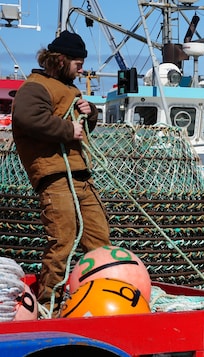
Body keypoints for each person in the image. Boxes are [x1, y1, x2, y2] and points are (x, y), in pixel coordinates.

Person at [11, 30, 111, 315]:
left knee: (99, 242)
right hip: (55, 178)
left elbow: (81, 126)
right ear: (60, 60)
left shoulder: (70, 89)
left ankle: (100, 297)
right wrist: (68, 129)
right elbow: (27, 118)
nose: (81, 69)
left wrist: (89, 112)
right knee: (63, 243)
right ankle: (49, 305)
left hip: (81, 176)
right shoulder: (36, 86)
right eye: (77, 64)